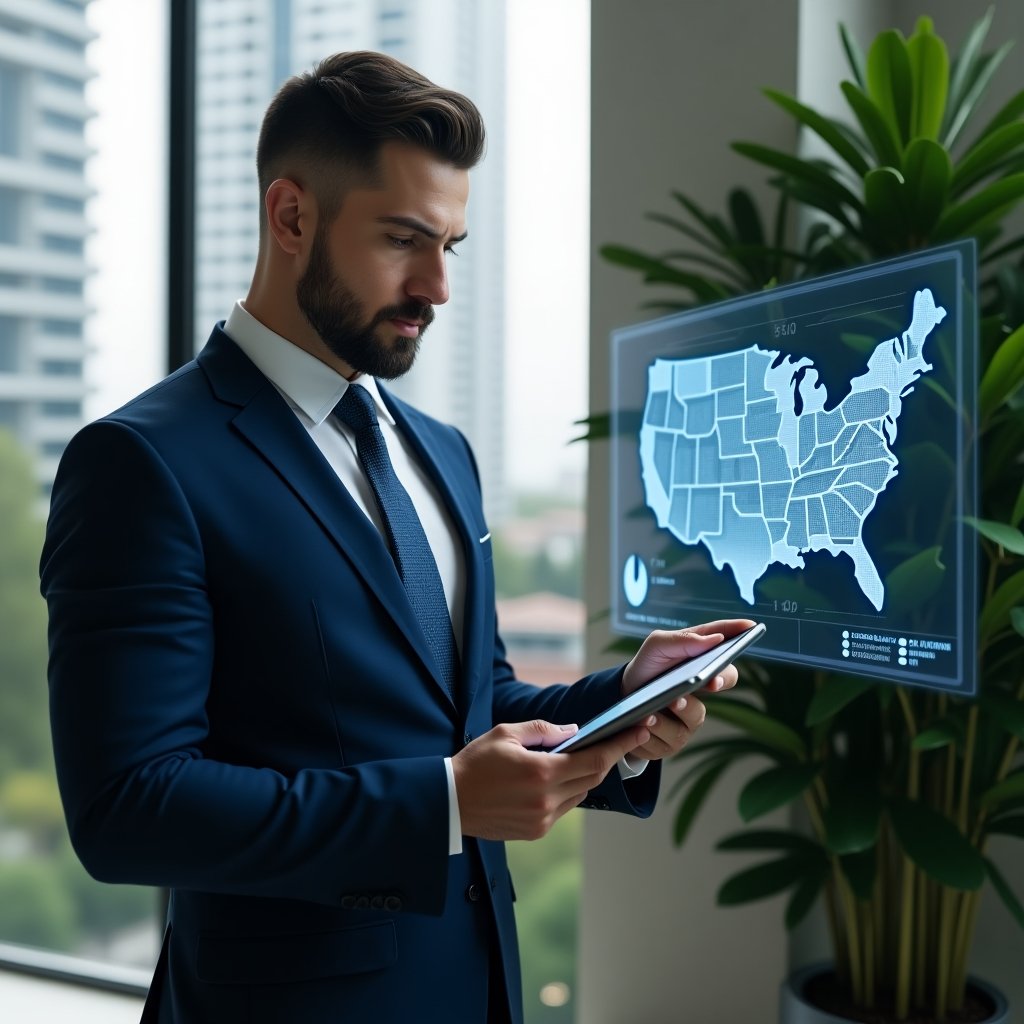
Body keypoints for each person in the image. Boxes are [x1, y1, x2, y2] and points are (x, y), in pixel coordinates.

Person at [40, 51, 753, 1023]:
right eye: (403, 239)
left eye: (449, 245)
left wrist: (619, 706)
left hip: (477, 985)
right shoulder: (140, 463)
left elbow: (469, 701)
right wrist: (446, 806)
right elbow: (129, 809)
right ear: (290, 216)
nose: (437, 286)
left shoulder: (442, 451)